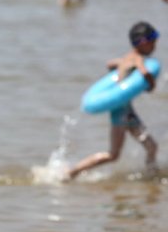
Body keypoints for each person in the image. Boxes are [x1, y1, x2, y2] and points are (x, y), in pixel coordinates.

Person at [67, 22, 159, 180]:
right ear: (144, 42)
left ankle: (151, 175)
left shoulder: (127, 57)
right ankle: (71, 173)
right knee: (113, 154)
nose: (155, 46)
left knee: (151, 146)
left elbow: (110, 63)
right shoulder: (137, 58)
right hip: (121, 113)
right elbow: (144, 72)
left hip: (127, 111)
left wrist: (121, 70)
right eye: (153, 41)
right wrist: (150, 84)